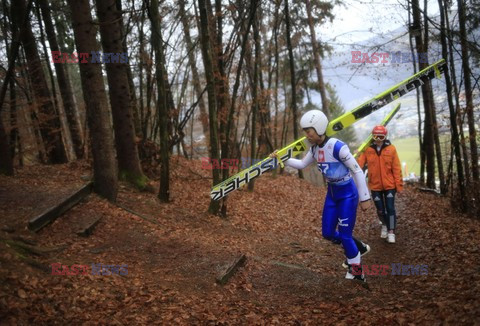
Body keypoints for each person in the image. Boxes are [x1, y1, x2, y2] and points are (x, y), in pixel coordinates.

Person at [271, 110, 372, 283]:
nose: (306, 135)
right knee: (327, 233)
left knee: (345, 235)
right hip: (332, 194)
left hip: (348, 193)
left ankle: (357, 272)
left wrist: (365, 198)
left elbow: (357, 170)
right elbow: (302, 164)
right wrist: (282, 158)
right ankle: (359, 247)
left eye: (308, 131)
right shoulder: (315, 149)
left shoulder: (337, 147)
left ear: (318, 128)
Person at [357, 125, 403, 244]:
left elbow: (396, 168)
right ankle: (384, 225)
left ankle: (391, 231)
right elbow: (359, 165)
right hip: (375, 185)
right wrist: (357, 155)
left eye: (381, 136)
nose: (378, 139)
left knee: (390, 208)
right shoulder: (368, 150)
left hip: (389, 185)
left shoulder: (391, 149)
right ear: (372, 137)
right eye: (376, 136)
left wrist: (399, 185)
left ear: (385, 136)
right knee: (380, 210)